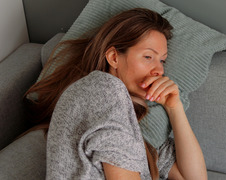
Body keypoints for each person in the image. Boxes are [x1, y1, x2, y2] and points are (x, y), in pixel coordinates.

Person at [25, 8, 207, 180]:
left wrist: (175, 108)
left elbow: (194, 177)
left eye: (162, 61)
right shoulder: (102, 89)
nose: (159, 70)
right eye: (148, 57)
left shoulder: (130, 118)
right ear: (113, 58)